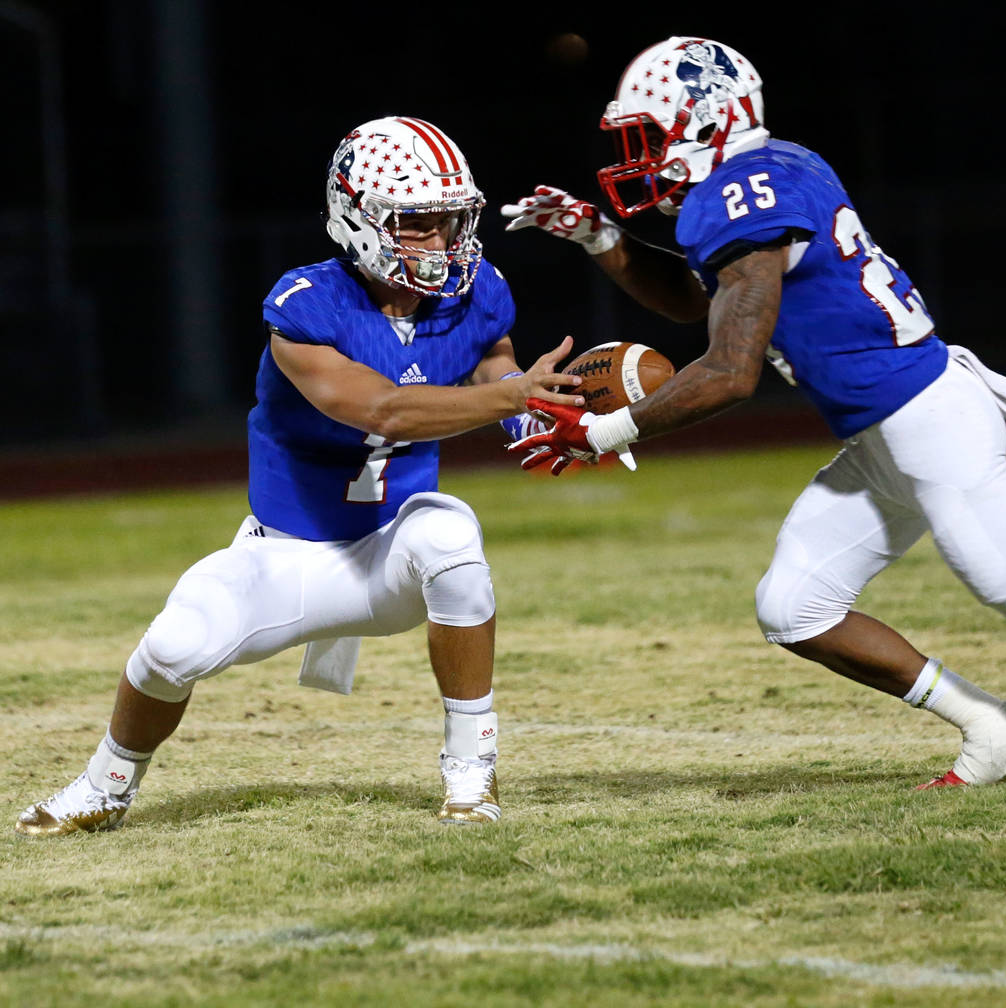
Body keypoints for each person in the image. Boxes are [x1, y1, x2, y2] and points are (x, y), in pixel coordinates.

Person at [501, 37, 1006, 788]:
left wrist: (603, 432)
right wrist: (601, 237)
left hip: (933, 427)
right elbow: (703, 303)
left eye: (649, 137)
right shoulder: (770, 167)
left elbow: (730, 372)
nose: (641, 157)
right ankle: (993, 727)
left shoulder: (743, 194)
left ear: (705, 125)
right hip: (888, 438)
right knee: (794, 606)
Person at [15, 115, 583, 836]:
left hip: (391, 555)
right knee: (170, 648)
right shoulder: (305, 307)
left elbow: (496, 359)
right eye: (417, 222)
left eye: (449, 219)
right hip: (284, 552)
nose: (440, 241)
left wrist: (533, 417)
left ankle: (472, 769)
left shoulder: (476, 294)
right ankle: (105, 785)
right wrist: (505, 397)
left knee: (450, 532)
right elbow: (383, 408)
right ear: (358, 219)